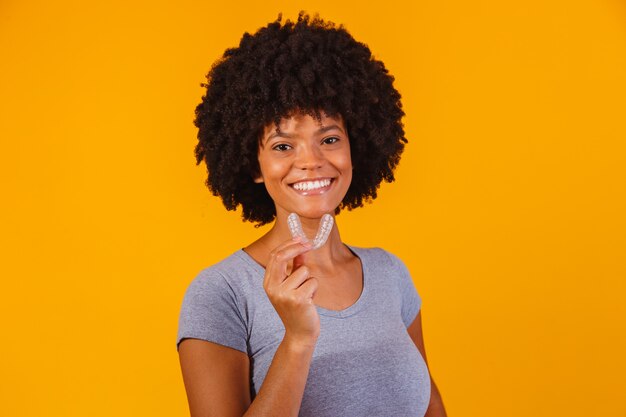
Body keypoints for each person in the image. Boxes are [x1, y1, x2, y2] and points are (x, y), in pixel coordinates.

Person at [176, 12, 447, 417]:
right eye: (284, 146)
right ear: (254, 165)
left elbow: (432, 409)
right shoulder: (222, 293)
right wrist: (298, 339)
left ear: (356, 147)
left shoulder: (391, 274)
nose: (311, 162)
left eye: (330, 138)